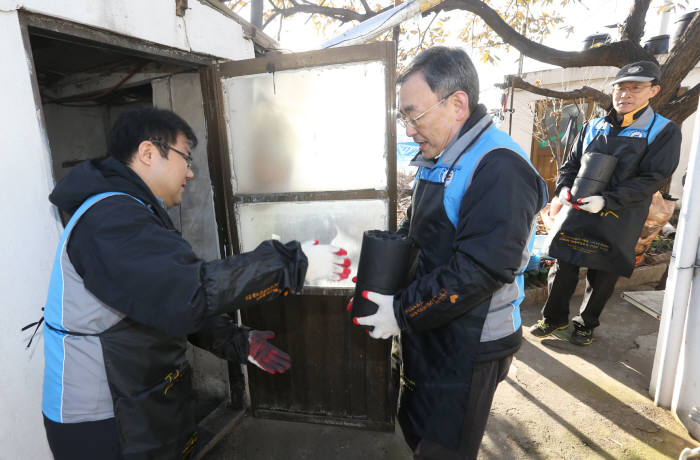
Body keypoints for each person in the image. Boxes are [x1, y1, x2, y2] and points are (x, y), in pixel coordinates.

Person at [40, 107, 350, 460]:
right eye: (185, 157)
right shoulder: (110, 219)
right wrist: (291, 263)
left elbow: (164, 303)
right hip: (101, 418)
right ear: (148, 153)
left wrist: (237, 342)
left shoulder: (133, 212)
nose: (189, 171)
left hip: (135, 397)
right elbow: (187, 294)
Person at [351, 47, 548, 459]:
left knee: (445, 447)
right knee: (418, 428)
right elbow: (419, 230)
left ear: (458, 104)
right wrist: (380, 271)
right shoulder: (440, 156)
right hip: (434, 323)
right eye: (403, 117)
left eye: (414, 115)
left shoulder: (499, 167)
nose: (408, 130)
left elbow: (480, 270)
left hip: (472, 341)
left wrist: (401, 311)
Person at [530, 60, 681, 346]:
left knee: (604, 272)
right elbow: (569, 165)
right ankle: (553, 318)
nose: (625, 94)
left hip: (621, 213)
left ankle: (585, 324)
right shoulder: (593, 126)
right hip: (579, 210)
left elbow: (654, 177)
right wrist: (563, 189)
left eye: (635, 88)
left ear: (654, 91)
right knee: (563, 264)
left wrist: (607, 200)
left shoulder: (663, 130)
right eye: (620, 88)